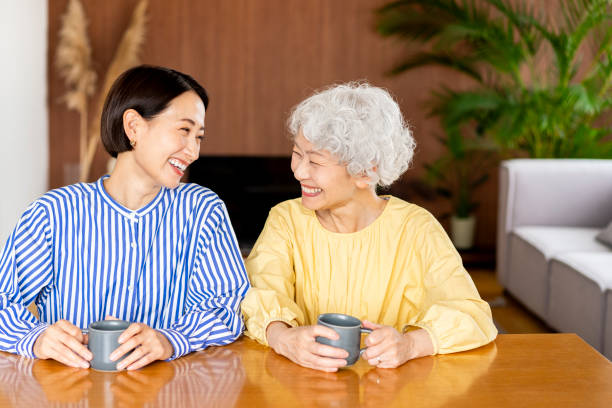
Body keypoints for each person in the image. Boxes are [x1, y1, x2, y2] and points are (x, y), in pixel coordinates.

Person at [0, 65, 250, 370]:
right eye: (184, 131)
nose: (193, 151)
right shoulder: (54, 213)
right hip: (72, 392)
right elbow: (3, 302)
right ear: (133, 126)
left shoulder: (201, 210)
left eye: (199, 137)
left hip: (169, 391)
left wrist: (172, 339)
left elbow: (226, 306)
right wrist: (37, 338)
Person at [241, 82, 497, 372]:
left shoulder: (417, 229)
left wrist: (412, 345)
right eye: (297, 153)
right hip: (302, 383)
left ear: (366, 171)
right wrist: (283, 337)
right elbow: (259, 293)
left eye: (315, 161)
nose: (299, 171)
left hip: (394, 389)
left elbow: (471, 315)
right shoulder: (286, 219)